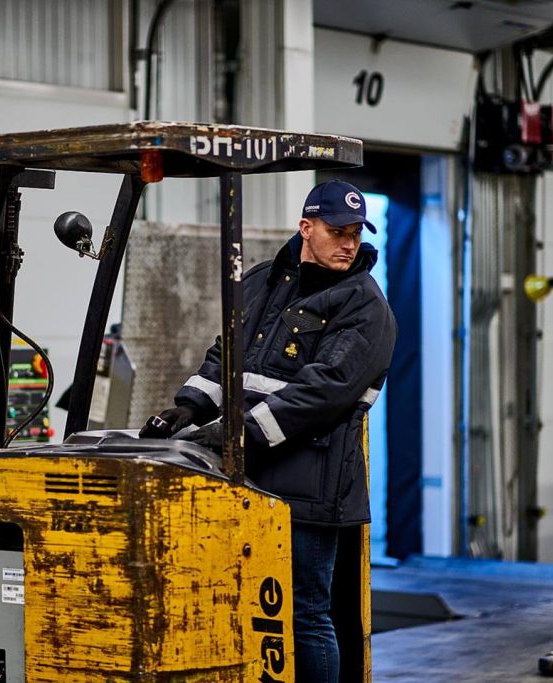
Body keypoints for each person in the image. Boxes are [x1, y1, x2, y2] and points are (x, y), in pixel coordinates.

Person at [140, 179, 397, 682]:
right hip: (248, 479)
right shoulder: (259, 282)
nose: (350, 243)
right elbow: (226, 361)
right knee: (241, 604)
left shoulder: (365, 305)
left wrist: (232, 435)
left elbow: (324, 393)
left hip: (312, 487)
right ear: (307, 227)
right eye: (337, 231)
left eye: (355, 233)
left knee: (304, 615)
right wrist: (187, 411)